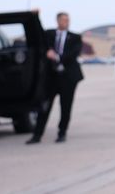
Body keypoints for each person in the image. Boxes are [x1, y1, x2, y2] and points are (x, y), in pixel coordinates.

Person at [27, 12, 84, 144]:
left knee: (66, 107)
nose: (67, 22)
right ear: (58, 21)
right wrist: (35, 17)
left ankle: (62, 133)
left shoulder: (75, 37)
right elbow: (38, 34)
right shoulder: (49, 35)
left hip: (68, 77)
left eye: (68, 20)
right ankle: (37, 134)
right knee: (44, 106)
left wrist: (57, 57)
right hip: (51, 78)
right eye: (64, 20)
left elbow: (74, 53)